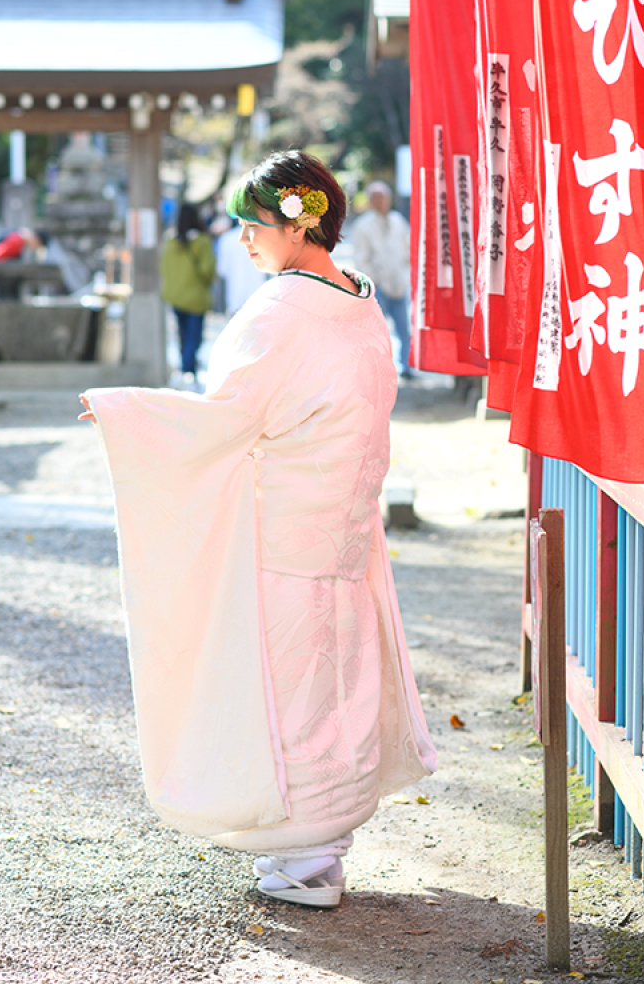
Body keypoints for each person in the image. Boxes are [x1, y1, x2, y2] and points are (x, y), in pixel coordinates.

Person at [79, 151, 435, 909]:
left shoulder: (279, 313)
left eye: (255, 224)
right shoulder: (358, 301)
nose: (243, 238)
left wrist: (126, 415)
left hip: (283, 529)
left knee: (287, 690)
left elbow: (227, 418)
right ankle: (323, 845)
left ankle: (304, 855)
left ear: (297, 225)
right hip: (341, 526)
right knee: (334, 684)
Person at [350, 181, 412, 377]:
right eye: (376, 197)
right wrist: (373, 281)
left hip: (399, 283)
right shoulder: (362, 226)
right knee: (377, 330)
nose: (380, 201)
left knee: (404, 329)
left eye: (383, 197)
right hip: (378, 286)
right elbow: (361, 258)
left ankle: (406, 366)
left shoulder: (398, 221)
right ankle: (378, 368)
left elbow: (407, 250)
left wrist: (404, 275)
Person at [160, 203, 216, 383]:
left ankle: (184, 368)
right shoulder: (202, 242)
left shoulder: (171, 242)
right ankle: (188, 370)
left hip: (175, 296)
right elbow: (209, 270)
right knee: (194, 336)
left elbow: (164, 268)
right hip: (196, 296)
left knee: (182, 334)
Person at [215, 217, 267, 314]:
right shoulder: (262, 235)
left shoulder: (227, 238)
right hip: (258, 296)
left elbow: (222, 270)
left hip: (235, 298)